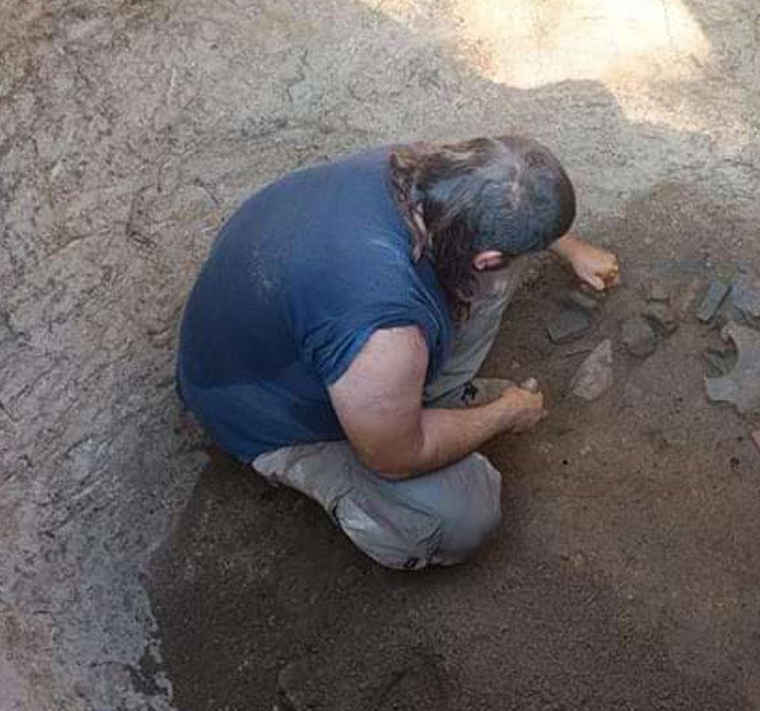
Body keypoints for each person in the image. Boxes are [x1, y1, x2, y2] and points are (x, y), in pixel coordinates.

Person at [176, 137, 619, 570]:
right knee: (464, 517)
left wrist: (570, 247)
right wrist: (506, 413)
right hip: (267, 411)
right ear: (483, 256)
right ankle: (347, 469)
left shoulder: (425, 167)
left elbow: (511, 193)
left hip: (287, 327)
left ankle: (418, 405)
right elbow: (394, 458)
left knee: (497, 277)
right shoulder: (384, 335)